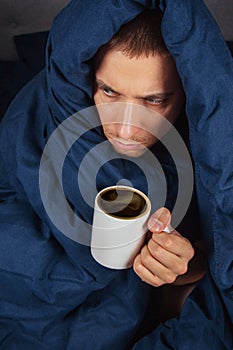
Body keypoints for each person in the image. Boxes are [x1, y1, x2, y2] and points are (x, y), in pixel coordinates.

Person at [0, 1, 232, 350]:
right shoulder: (46, 104)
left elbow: (212, 251)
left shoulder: (203, 145)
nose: (125, 128)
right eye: (108, 91)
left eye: (153, 101)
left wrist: (178, 263)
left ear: (186, 91)